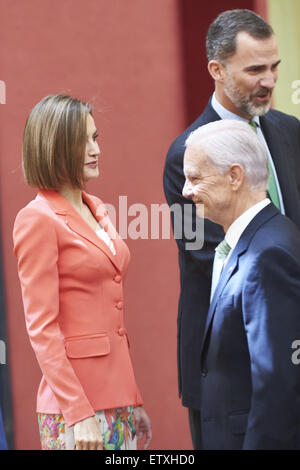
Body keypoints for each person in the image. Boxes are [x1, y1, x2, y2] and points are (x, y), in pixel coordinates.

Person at [163, 9, 300, 448]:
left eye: (275, 67)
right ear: (216, 70)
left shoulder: (290, 131)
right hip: (224, 365)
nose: (269, 80)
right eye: (255, 69)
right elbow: (200, 251)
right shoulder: (184, 153)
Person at [13, 94, 152, 450]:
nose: (96, 150)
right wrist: (78, 412)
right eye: (84, 141)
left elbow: (113, 318)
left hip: (117, 403)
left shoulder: (96, 208)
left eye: (96, 138)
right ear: (55, 147)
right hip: (76, 410)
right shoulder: (36, 219)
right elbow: (43, 329)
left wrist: (132, 398)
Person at [182, 119, 300, 449]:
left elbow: (278, 383)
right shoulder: (259, 241)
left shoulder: (269, 255)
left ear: (234, 177)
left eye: (195, 178)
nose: (185, 191)